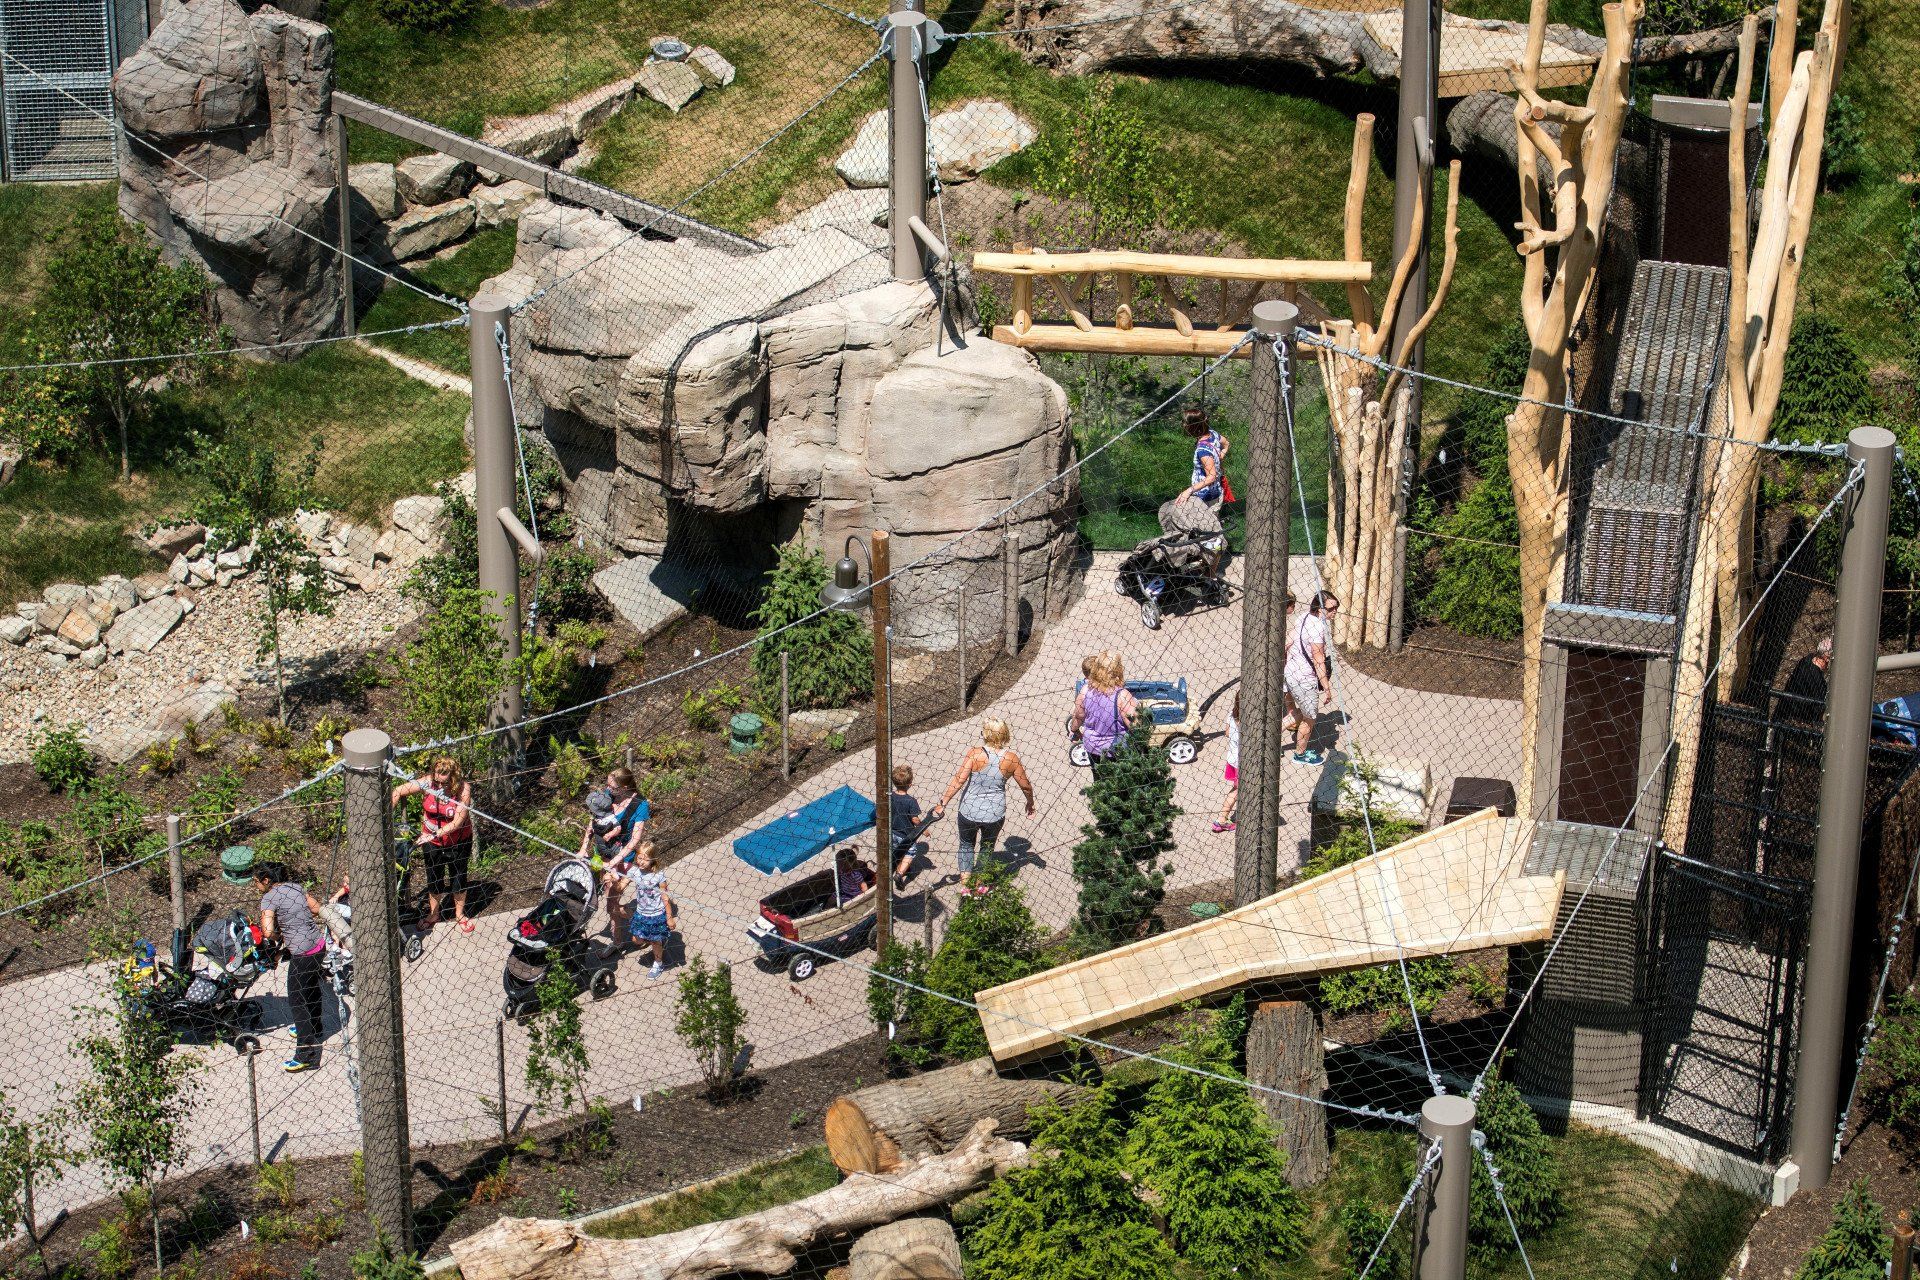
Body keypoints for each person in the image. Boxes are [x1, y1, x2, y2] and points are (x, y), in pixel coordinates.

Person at [935, 717, 1036, 877]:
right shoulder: (1011, 758)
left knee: (966, 845)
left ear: (986, 734)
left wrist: (943, 802)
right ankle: (979, 884)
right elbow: (1025, 785)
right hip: (994, 813)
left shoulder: (975, 754)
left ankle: (965, 885)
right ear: (1005, 734)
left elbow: (959, 779)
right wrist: (1030, 803)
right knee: (987, 847)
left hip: (969, 810)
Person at [254, 862, 326, 1073]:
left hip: (302, 954)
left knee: (297, 1002)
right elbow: (315, 908)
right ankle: (316, 1027)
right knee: (311, 987)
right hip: (318, 946)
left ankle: (306, 1055)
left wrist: (279, 934)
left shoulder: (268, 897)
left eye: (257, 882)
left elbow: (267, 932)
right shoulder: (296, 887)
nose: (256, 886)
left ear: (266, 881)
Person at [389, 757, 474, 933]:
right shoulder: (428, 782)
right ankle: (434, 914)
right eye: (437, 780)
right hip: (432, 842)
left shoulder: (463, 790)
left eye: (444, 782)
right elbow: (398, 790)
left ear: (453, 778)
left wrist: (433, 834)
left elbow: (457, 822)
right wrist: (385, 817)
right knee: (434, 878)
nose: (439, 786)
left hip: (458, 841)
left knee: (458, 877)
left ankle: (459, 914)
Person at [579, 767, 649, 941]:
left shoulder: (640, 805)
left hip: (624, 859)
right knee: (611, 903)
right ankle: (617, 942)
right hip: (604, 856)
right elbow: (593, 821)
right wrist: (584, 848)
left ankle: (647, 924)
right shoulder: (608, 796)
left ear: (624, 788)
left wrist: (615, 861)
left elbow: (634, 841)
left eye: (612, 787)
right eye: (607, 785)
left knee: (611, 905)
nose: (607, 789)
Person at [1286, 592, 1338, 764]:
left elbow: (1289, 641)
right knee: (1309, 718)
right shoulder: (1318, 628)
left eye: (1337, 607)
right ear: (1319, 608)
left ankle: (1263, 739)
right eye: (1331, 608)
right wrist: (1327, 687)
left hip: (1291, 671)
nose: (1335, 611)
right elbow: (1318, 659)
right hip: (1305, 678)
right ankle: (1300, 755)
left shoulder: (1303, 616)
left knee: (1299, 713)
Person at [1072, 650, 1141, 767]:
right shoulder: (1122, 695)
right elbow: (1137, 728)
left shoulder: (1085, 691)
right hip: (1117, 751)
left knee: (1100, 780)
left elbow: (1078, 717)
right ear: (1118, 669)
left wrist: (1075, 731)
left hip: (1093, 749)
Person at [623, 842, 676, 981]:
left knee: (655, 942)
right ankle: (656, 938)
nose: (641, 862)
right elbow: (621, 884)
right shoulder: (634, 871)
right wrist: (612, 877)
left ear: (653, 859)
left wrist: (669, 917)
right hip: (641, 913)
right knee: (637, 940)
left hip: (656, 914)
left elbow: (665, 897)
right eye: (639, 858)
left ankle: (659, 963)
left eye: (645, 859)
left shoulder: (659, 876)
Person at [889, 764, 922, 891]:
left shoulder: (890, 796)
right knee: (910, 852)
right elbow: (914, 819)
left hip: (892, 831)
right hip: (906, 834)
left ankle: (901, 869)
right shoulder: (910, 801)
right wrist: (923, 828)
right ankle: (899, 874)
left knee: (897, 852)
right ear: (910, 784)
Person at [1782, 635, 1832, 720]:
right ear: (1827, 658)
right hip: (1799, 715)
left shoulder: (1807, 659)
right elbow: (1819, 707)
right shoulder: (1816, 679)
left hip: (1788, 706)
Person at [1214, 692, 1240, 833]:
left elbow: (1227, 733)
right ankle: (1221, 820)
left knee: (1237, 787)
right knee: (1237, 790)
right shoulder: (1248, 721)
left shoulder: (1232, 714)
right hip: (1242, 762)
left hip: (1232, 758)